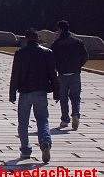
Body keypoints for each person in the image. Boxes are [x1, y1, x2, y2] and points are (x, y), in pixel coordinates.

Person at [9, 29, 59, 163]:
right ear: (38, 39)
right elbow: (53, 73)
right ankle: (45, 142)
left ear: (26, 39)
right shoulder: (47, 52)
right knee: (43, 119)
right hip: (41, 91)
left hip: (25, 91)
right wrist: (57, 91)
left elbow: (15, 74)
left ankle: (25, 150)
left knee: (23, 122)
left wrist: (12, 93)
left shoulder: (20, 53)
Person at [51, 20, 88, 130]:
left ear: (60, 29)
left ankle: (65, 119)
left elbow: (52, 59)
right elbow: (85, 56)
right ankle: (75, 114)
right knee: (75, 96)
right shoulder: (77, 42)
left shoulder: (56, 44)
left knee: (63, 98)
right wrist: (78, 66)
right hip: (75, 73)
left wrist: (56, 69)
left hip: (62, 74)